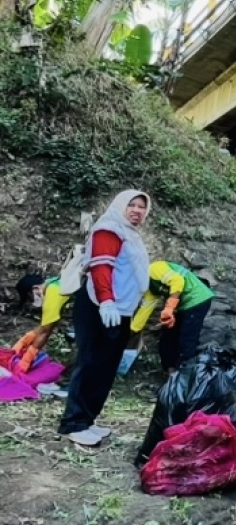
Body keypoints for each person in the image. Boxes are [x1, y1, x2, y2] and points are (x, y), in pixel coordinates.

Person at [59, 190, 152, 447]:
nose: (136, 210)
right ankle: (74, 423)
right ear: (119, 206)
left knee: (106, 367)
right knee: (90, 363)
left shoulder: (130, 234)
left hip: (120, 310)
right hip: (99, 307)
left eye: (141, 207)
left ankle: (88, 420)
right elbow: (102, 265)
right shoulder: (109, 229)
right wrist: (107, 300)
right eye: (131, 205)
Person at [129, 261, 215, 374]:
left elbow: (177, 281)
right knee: (166, 340)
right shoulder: (150, 288)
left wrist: (169, 307)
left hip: (198, 299)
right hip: (182, 305)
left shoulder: (154, 269)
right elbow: (146, 308)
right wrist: (132, 330)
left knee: (186, 341)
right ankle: (171, 375)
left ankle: (184, 379)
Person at [11, 275, 72, 373]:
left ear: (34, 289)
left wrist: (27, 359)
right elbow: (47, 325)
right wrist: (25, 341)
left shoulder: (52, 293)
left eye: (30, 298)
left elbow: (45, 332)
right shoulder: (50, 283)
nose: (31, 301)